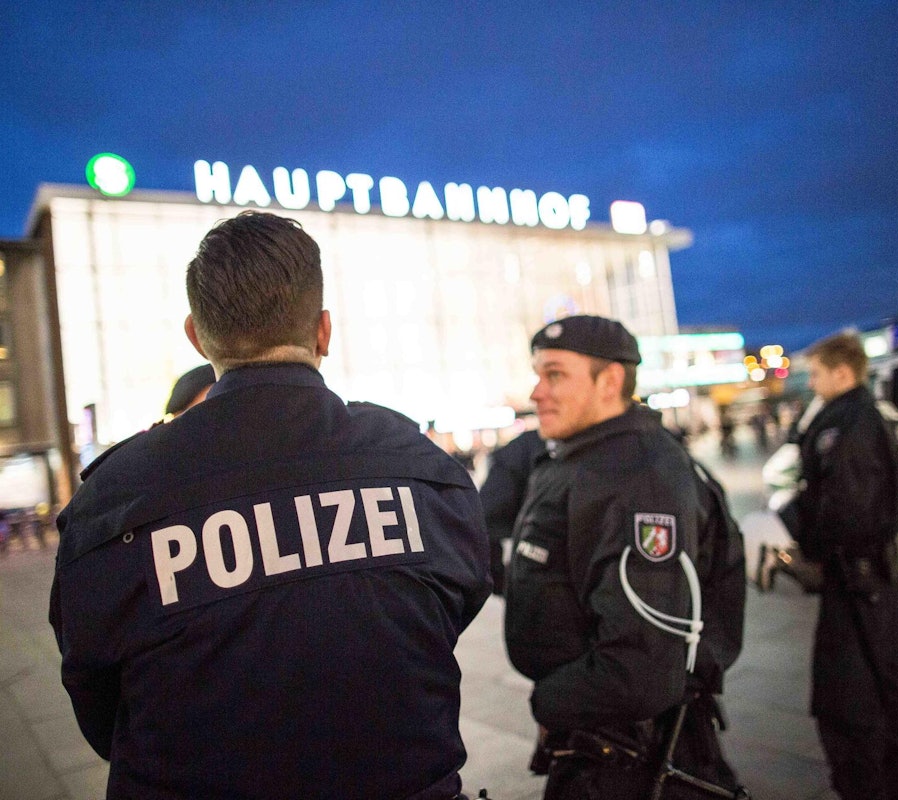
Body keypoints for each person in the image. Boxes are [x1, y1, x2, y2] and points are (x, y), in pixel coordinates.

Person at [49, 211, 492, 800]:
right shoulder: (417, 464)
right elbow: (450, 611)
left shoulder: (115, 493)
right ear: (324, 331)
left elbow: (98, 697)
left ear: (198, 337)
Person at [503, 314, 740, 800]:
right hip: (596, 743)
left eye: (554, 374)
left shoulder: (636, 476)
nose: (536, 392)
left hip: (627, 757)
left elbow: (640, 672)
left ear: (610, 380)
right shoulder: (589, 458)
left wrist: (549, 702)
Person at [793, 331, 898, 800]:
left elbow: (845, 512)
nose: (811, 383)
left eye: (815, 374)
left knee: (850, 700)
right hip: (869, 579)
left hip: (857, 581)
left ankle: (879, 787)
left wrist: (793, 531)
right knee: (883, 686)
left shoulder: (849, 425)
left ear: (842, 373)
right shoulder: (867, 417)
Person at [479, 427, 547, 594]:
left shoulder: (528, 446)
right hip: (541, 591)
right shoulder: (528, 447)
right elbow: (486, 520)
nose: (536, 398)